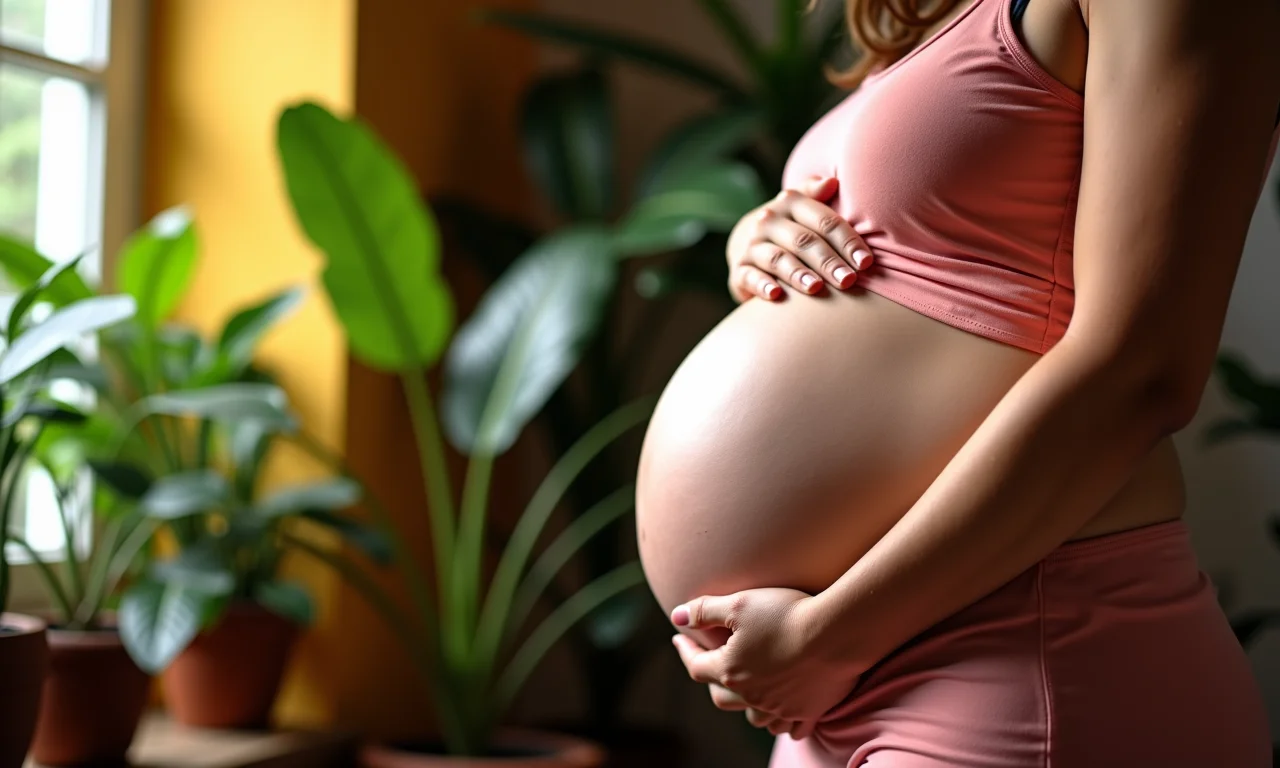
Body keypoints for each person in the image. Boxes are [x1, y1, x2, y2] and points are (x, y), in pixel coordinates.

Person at [632, 0, 1280, 765]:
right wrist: (765, 235)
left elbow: (1143, 366)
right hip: (836, 672)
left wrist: (830, 637)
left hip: (1019, 648)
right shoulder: (932, 14)